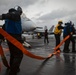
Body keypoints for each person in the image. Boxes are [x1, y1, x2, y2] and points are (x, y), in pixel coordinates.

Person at [0, 6, 23, 75]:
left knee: (13, 54)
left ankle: (12, 67)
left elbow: (3, 29)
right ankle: (13, 71)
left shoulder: (8, 20)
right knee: (19, 55)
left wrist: (1, 38)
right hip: (16, 39)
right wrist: (2, 16)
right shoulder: (15, 14)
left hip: (9, 40)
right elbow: (12, 15)